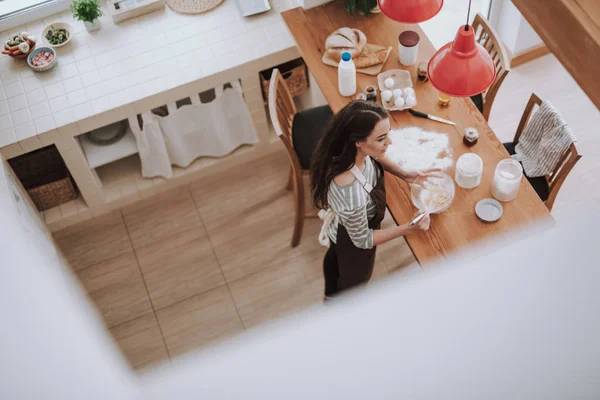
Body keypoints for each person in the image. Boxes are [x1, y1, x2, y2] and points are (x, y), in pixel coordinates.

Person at [310, 100, 435, 299]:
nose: (389, 142)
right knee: (347, 298)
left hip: (354, 231)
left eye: (388, 134)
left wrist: (404, 173)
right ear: (358, 142)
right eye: (381, 139)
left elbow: (373, 157)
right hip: (350, 250)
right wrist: (408, 229)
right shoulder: (350, 192)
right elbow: (363, 239)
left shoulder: (351, 152)